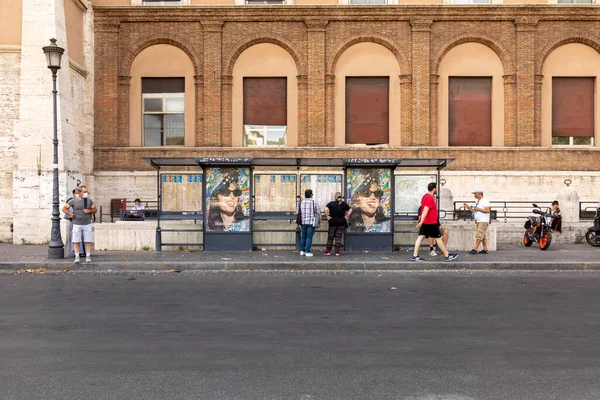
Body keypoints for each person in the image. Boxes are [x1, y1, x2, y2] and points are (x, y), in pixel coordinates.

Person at [412, 182, 458, 262]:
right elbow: (425, 210)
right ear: (434, 189)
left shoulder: (425, 196)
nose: (436, 189)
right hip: (430, 223)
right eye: (436, 188)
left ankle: (414, 255)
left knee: (420, 237)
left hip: (426, 222)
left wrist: (422, 221)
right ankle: (447, 255)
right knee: (438, 238)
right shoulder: (429, 198)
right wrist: (421, 221)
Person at [62, 186, 97, 263]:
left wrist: (89, 211)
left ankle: (88, 256)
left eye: (86, 192)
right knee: (76, 241)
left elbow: (95, 209)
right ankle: (77, 256)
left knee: (88, 240)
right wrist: (71, 214)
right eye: (84, 192)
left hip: (87, 223)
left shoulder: (89, 201)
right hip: (77, 224)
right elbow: (64, 208)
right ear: (80, 192)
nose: (86, 193)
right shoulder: (73, 201)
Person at [295, 189, 322, 257]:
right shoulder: (314, 202)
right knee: (309, 237)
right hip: (311, 222)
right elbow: (319, 213)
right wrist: (320, 222)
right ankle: (307, 251)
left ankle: (302, 251)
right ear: (311, 195)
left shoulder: (301, 202)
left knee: (303, 236)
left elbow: (297, 212)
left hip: (303, 222)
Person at [464, 188, 491, 254]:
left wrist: (479, 209)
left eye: (475, 194)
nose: (474, 195)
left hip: (483, 220)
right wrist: (468, 207)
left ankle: (475, 249)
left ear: (479, 194)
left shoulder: (485, 201)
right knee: (482, 235)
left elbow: (487, 210)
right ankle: (485, 249)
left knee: (479, 234)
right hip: (479, 220)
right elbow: (474, 210)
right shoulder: (478, 201)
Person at [323, 192, 351, 256]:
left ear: (335, 197)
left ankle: (328, 251)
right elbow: (350, 209)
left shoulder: (331, 204)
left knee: (330, 237)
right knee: (338, 237)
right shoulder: (344, 204)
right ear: (341, 197)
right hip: (341, 222)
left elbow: (325, 209)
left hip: (332, 222)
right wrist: (346, 216)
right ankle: (337, 252)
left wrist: (327, 216)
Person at [63, 188, 85, 257]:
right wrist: (71, 214)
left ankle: (82, 251)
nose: (77, 194)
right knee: (75, 237)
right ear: (73, 194)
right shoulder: (71, 201)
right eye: (76, 193)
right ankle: (76, 252)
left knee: (82, 237)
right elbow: (66, 211)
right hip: (74, 222)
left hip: (82, 221)